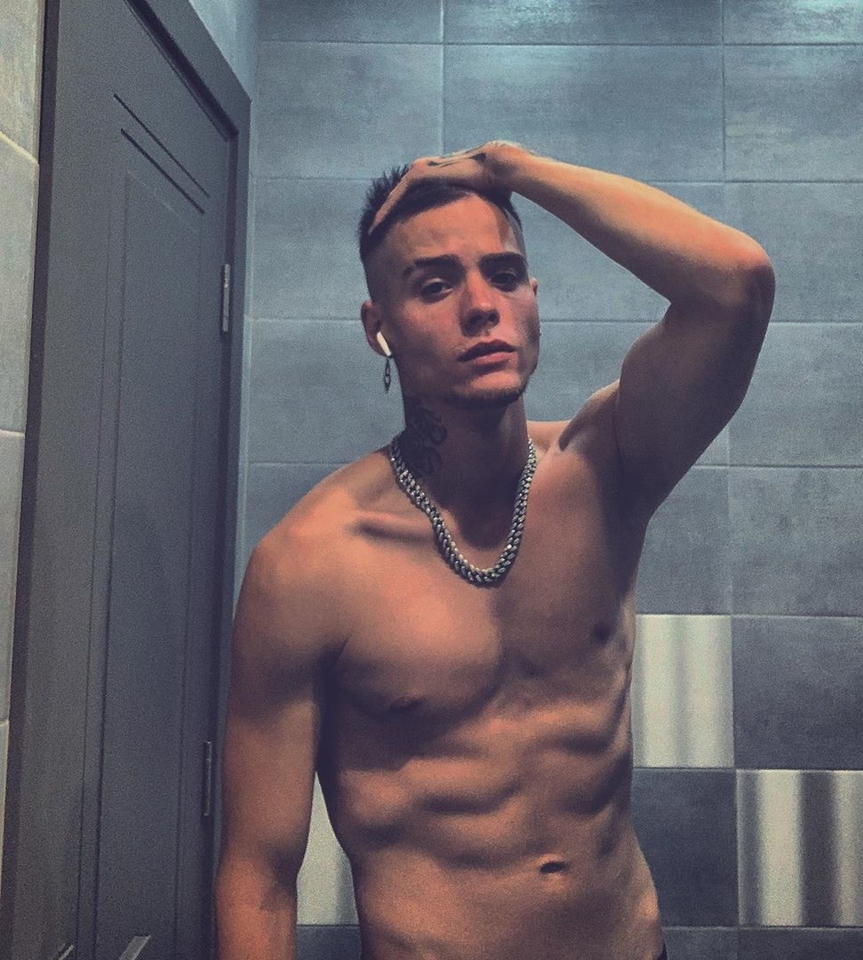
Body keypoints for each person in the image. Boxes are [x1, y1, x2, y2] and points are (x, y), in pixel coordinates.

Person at [215, 140, 774, 960]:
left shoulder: (608, 470)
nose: (481, 306)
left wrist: (513, 168)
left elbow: (737, 283)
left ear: (533, 299)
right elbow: (258, 877)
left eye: (504, 275)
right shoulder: (309, 565)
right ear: (379, 329)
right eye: (435, 285)